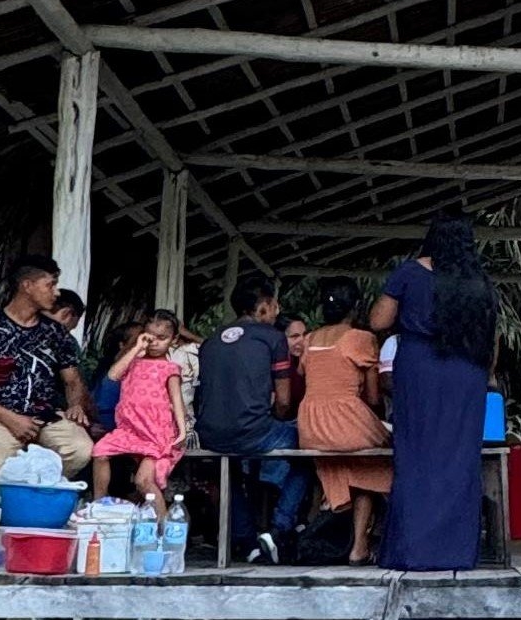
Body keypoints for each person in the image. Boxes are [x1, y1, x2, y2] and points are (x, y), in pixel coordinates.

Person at [371, 213, 498, 571]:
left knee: (415, 454)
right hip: (467, 372)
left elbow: (379, 321)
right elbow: (493, 338)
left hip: (421, 367)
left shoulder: (410, 272)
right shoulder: (480, 282)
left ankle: (412, 551)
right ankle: (455, 552)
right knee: (459, 458)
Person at [196, 273, 305, 564]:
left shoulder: (210, 341)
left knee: (228, 470)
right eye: (275, 305)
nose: (277, 311)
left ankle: (246, 542)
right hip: (254, 431)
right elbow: (283, 401)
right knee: (308, 451)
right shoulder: (273, 338)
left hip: (210, 434)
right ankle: (279, 529)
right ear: (264, 306)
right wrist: (275, 419)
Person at [0, 254, 94, 478]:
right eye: (50, 285)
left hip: (48, 418)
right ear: (27, 286)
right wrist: (11, 419)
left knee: (81, 450)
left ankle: (43, 495)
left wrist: (76, 405)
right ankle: (11, 509)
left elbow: (72, 380)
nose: (57, 292)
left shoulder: (56, 332)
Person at [293, 277, 393, 564]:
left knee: (343, 467)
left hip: (310, 423)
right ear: (357, 307)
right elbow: (374, 398)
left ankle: (326, 535)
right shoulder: (361, 339)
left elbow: (306, 375)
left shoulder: (310, 339)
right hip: (345, 418)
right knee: (378, 463)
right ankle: (360, 544)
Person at [89, 310, 188, 508]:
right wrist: (136, 348)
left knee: (144, 482)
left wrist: (182, 431)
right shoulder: (133, 363)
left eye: (162, 338)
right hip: (129, 429)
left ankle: (163, 526)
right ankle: (98, 504)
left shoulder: (170, 368)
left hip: (155, 432)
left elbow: (177, 400)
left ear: (174, 340)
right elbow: (113, 375)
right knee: (100, 452)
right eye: (151, 337)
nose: (155, 343)